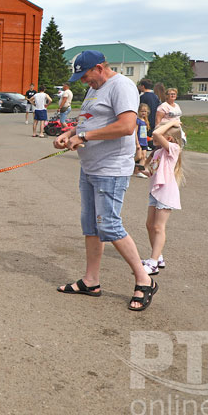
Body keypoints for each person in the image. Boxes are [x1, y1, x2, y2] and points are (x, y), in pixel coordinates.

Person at [54, 50, 157, 312]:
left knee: (109, 225)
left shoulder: (121, 86)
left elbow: (126, 126)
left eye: (86, 76)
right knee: (90, 225)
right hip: (90, 167)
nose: (84, 82)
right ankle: (91, 281)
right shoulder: (95, 88)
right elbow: (89, 121)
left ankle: (144, 279)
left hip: (111, 168)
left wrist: (84, 137)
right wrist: (70, 132)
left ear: (99, 68)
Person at [142, 119, 184, 275]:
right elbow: (153, 172)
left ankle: (153, 263)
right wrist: (139, 170)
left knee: (158, 227)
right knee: (149, 224)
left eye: (160, 134)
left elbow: (155, 133)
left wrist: (172, 122)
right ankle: (158, 257)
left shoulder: (173, 149)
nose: (154, 136)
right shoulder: (158, 153)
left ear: (169, 138)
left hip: (166, 192)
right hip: (155, 192)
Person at [138, 79, 161, 149]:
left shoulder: (142, 97)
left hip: (145, 121)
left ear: (143, 86)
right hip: (154, 120)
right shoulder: (155, 96)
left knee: (144, 138)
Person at [133, 103, 150, 179]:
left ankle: (138, 171)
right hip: (139, 142)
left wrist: (149, 139)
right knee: (138, 156)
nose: (143, 113)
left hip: (144, 142)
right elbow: (135, 132)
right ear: (138, 111)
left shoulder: (145, 121)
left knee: (144, 157)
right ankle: (128, 164)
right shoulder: (138, 121)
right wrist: (137, 143)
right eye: (142, 111)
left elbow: (144, 134)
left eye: (145, 111)